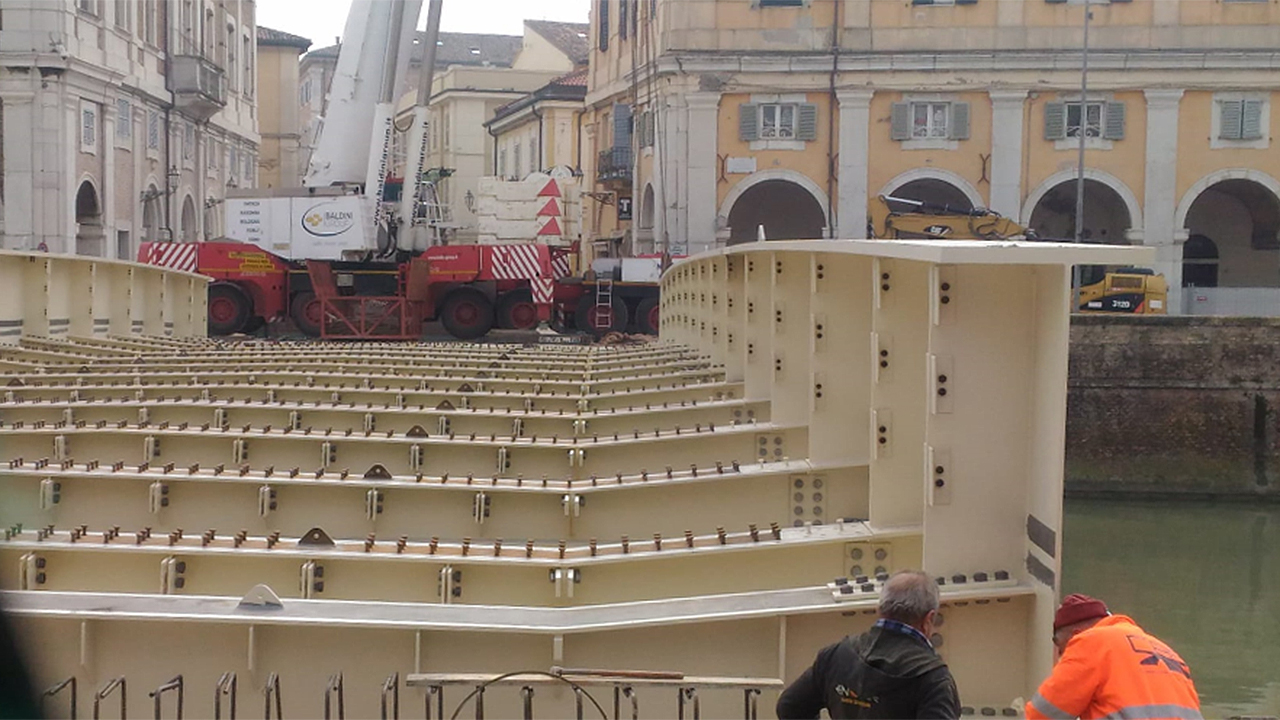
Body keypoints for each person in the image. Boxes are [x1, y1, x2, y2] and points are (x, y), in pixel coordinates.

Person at [776, 570, 960, 719]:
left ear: (879, 610)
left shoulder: (836, 655)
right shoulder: (933, 678)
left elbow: (790, 708)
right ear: (929, 619)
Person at [1026, 594, 1201, 720]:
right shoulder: (1164, 650)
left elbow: (1042, 715)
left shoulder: (1090, 641)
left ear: (1075, 634)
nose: (1060, 655)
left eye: (1060, 645)